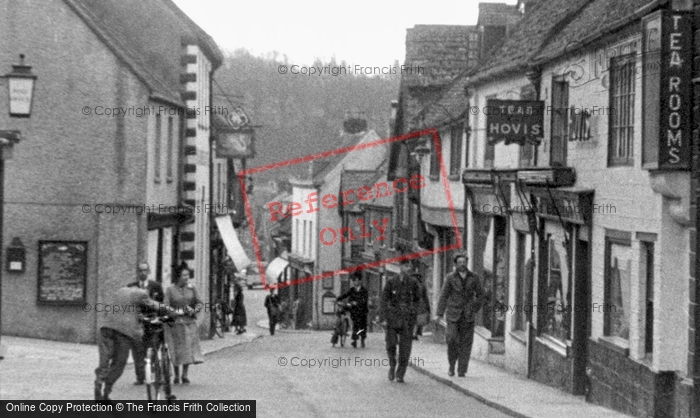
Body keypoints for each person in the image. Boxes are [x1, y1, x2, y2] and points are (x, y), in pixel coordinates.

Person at [95, 284, 179, 401]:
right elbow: (156, 305)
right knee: (118, 364)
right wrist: (172, 312)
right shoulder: (141, 294)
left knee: (104, 363)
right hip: (122, 333)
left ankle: (99, 390)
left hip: (105, 329)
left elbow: (123, 311)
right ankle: (105, 392)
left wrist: (139, 317)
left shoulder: (120, 291)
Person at [435, 252, 485, 377]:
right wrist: (439, 313)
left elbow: (481, 295)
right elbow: (444, 296)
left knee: (466, 343)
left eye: (464, 262)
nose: (462, 265)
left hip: (468, 315)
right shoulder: (450, 278)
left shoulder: (474, 277)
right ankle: (452, 365)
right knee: (451, 339)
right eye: (460, 262)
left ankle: (462, 370)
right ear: (456, 264)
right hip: (453, 315)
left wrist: (474, 308)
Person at [380, 259, 421, 383]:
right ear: (400, 267)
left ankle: (400, 373)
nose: (408, 268)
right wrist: (383, 318)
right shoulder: (391, 282)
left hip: (407, 319)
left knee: (405, 347)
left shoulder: (413, 282)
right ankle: (392, 365)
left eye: (409, 266)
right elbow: (383, 300)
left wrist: (414, 312)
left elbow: (418, 300)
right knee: (390, 344)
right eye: (405, 265)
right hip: (393, 318)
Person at [164, 265, 204, 384]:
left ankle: (185, 374)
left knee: (188, 348)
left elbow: (200, 303)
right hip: (176, 323)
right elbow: (165, 305)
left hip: (189, 322)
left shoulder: (192, 288)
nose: (187, 278)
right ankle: (176, 374)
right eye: (184, 275)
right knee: (176, 349)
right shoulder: (170, 290)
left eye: (188, 275)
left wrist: (193, 310)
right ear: (178, 277)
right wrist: (174, 312)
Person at [127, 261, 164, 385]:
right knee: (137, 351)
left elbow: (161, 304)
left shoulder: (156, 286)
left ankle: (154, 374)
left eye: (145, 270)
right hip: (137, 323)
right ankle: (140, 377)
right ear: (137, 272)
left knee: (153, 349)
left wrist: (159, 318)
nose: (143, 273)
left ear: (148, 272)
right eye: (140, 270)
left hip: (152, 323)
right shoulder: (131, 286)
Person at [337, 274, 369, 348]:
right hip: (354, 310)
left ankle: (362, 340)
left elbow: (364, 300)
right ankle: (354, 341)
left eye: (358, 280)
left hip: (362, 311)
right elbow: (345, 294)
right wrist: (338, 299)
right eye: (355, 281)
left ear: (360, 281)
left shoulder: (364, 290)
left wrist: (358, 302)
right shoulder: (352, 290)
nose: (356, 282)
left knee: (362, 327)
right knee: (355, 325)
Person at [413, 273, 430, 341]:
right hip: (420, 304)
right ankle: (416, 334)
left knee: (415, 319)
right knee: (419, 320)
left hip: (413, 304)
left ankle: (413, 333)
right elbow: (425, 297)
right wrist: (428, 307)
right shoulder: (422, 286)